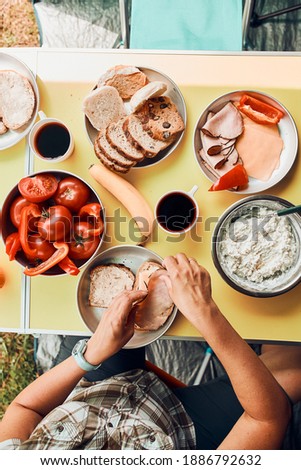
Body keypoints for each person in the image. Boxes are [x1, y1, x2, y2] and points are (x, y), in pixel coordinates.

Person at [0, 253, 300, 450]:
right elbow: (267, 419)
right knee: (293, 369)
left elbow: (25, 410)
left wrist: (90, 355)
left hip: (98, 384)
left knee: (110, 261)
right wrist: (206, 313)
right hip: (185, 427)